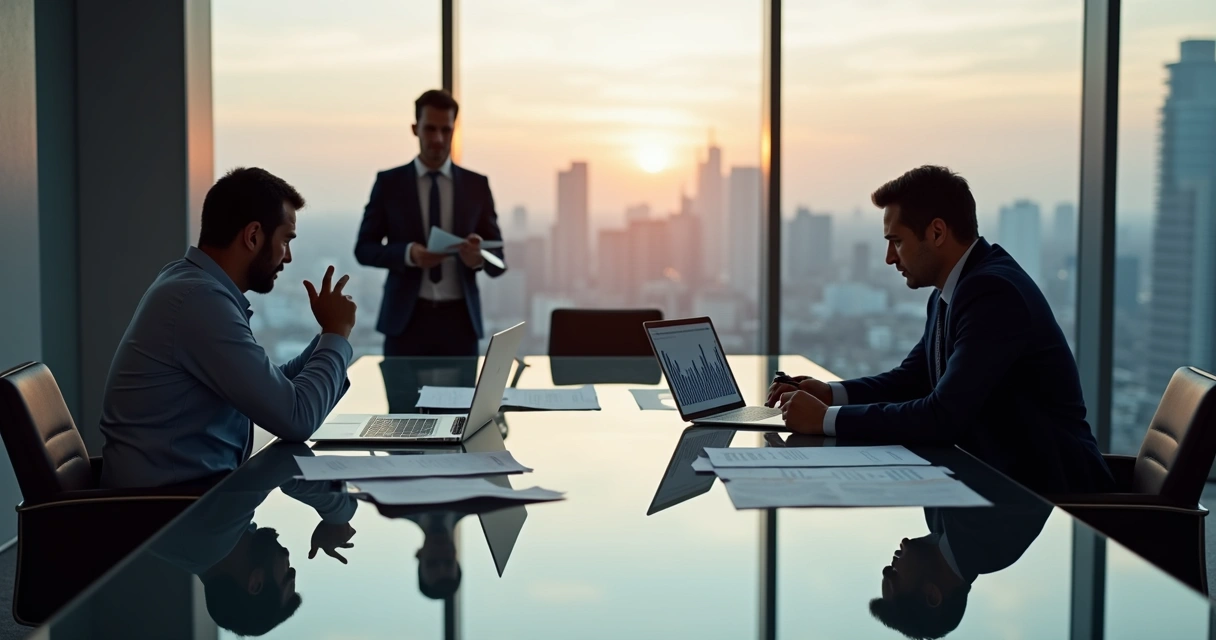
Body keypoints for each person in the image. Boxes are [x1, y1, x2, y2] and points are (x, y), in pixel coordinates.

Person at [767, 166, 1113, 494]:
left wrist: (827, 419)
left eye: (897, 241)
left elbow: (943, 416)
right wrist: (831, 393)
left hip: (1050, 497)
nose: (890, 257)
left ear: (936, 232)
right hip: (997, 483)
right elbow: (913, 379)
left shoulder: (992, 293)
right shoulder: (953, 291)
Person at [100, 167, 357, 489]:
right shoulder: (199, 300)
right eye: (285, 241)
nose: (288, 257)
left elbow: (270, 387)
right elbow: (297, 418)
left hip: (193, 498)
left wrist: (328, 333)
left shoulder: (188, 283)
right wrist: (336, 334)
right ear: (252, 236)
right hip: (173, 515)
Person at [354, 89, 507, 357]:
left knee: (464, 400)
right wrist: (407, 254)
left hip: (461, 323)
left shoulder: (476, 185)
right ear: (415, 129)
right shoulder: (389, 184)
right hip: (405, 321)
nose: (438, 139)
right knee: (403, 400)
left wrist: (477, 258)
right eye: (430, 129)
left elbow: (499, 259)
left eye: (446, 130)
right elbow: (364, 248)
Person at [150, 444, 358, 637]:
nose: (287, 555)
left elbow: (287, 459)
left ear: (255, 583)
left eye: (288, 574)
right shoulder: (185, 549)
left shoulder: (209, 537)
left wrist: (339, 515)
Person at [870, 503, 1051, 639]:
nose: (888, 567)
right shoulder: (993, 540)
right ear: (932, 594)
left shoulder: (937, 523)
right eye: (894, 574)